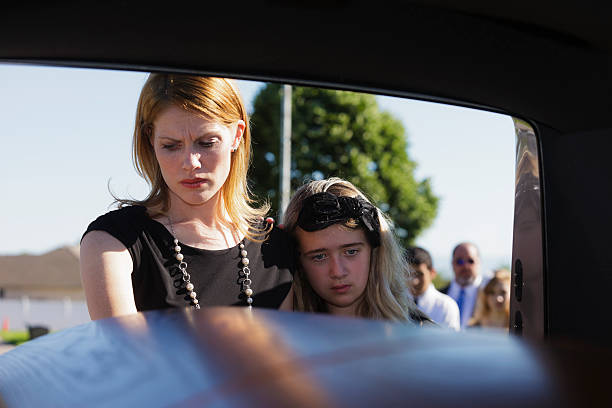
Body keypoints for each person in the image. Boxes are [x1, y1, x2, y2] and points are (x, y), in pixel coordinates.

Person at [80, 74, 293, 320]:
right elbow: (126, 354)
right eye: (171, 145)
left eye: (206, 143)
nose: (190, 163)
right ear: (150, 140)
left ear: (237, 135)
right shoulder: (112, 242)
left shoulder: (277, 247)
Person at [282, 177, 431, 324]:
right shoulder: (276, 335)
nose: (338, 272)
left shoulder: (421, 335)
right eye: (320, 256)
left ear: (375, 250)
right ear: (297, 261)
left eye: (351, 252)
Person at [405, 246, 460, 331]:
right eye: (408, 274)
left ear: (432, 273)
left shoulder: (446, 306)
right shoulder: (395, 303)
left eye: (419, 274)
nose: (414, 281)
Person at [440, 242, 484, 329]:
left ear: (479, 263)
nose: (465, 266)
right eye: (459, 261)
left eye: (470, 261)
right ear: (452, 263)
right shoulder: (439, 296)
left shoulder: (490, 297)